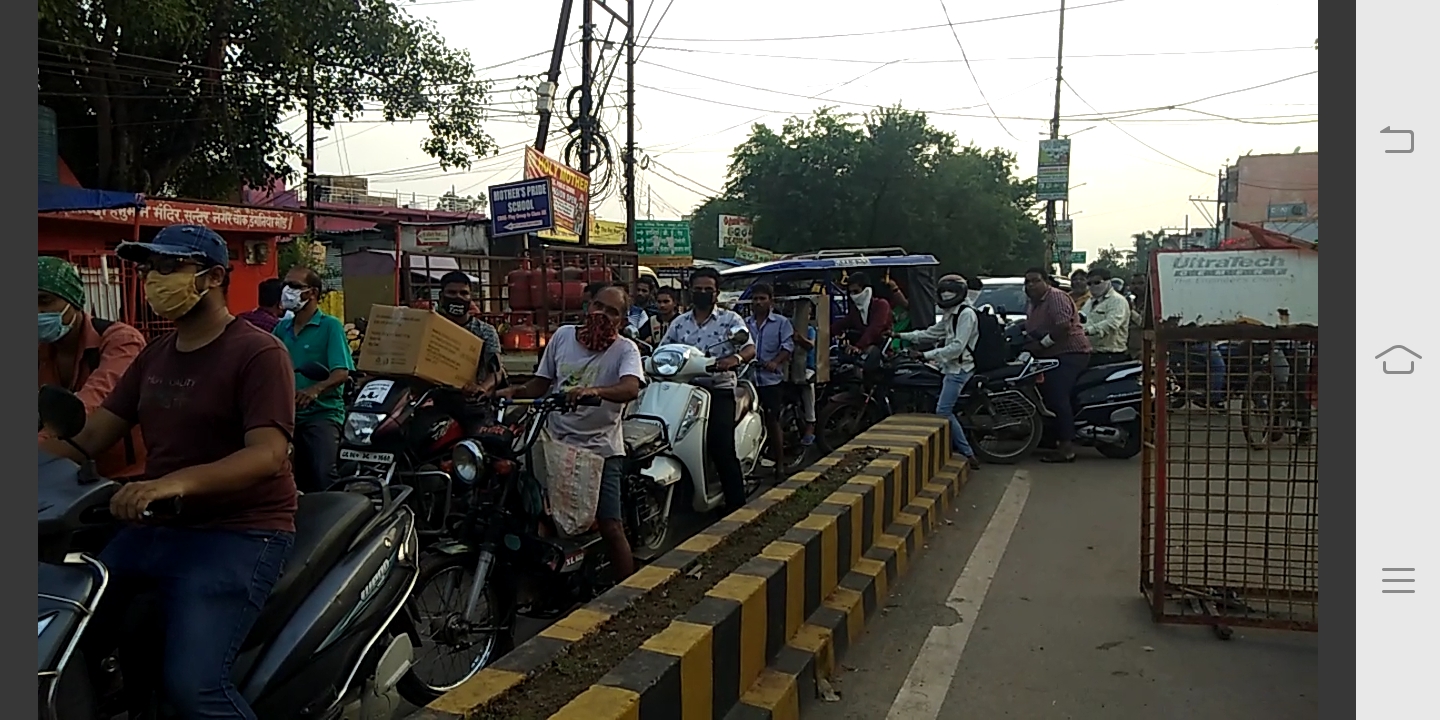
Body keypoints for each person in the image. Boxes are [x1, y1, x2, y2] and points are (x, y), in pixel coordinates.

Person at [43, 224, 296, 720]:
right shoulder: (154, 356)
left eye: (169, 268)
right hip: (156, 525)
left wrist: (171, 483)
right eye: (150, 269)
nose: (155, 280)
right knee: (65, 638)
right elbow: (91, 437)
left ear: (213, 277)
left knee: (194, 687)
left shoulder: (258, 352)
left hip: (239, 532)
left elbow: (268, 454)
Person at [495, 284, 642, 580]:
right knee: (532, 510)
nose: (602, 314)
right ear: (588, 307)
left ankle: (630, 593)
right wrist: (515, 391)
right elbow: (541, 383)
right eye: (598, 306)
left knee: (610, 524)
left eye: (612, 312)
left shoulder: (626, 349)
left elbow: (630, 387)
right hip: (554, 441)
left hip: (600, 448)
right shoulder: (562, 336)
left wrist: (595, 390)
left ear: (622, 321)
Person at [38, 256, 148, 480]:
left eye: (45, 301)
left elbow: (93, 405)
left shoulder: (120, 341)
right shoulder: (39, 350)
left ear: (74, 301)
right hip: (60, 477)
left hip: (125, 479)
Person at [660, 267, 757, 511]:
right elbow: (663, 350)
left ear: (717, 293)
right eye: (698, 289)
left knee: (720, 444)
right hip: (683, 391)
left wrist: (734, 359)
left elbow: (749, 348)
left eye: (708, 290)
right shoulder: (679, 323)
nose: (702, 293)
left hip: (718, 391)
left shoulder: (730, 320)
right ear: (690, 292)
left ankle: (737, 505)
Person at [274, 266, 354, 493]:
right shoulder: (281, 328)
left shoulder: (330, 326)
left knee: (322, 474)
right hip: (285, 416)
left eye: (295, 286)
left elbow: (341, 372)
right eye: (286, 285)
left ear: (313, 293)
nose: (288, 291)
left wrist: (315, 390)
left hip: (321, 414)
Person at [896, 274, 981, 470]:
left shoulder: (966, 314)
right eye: (943, 293)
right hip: (948, 365)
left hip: (959, 369)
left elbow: (957, 347)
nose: (946, 296)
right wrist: (900, 334)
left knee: (943, 410)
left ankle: (968, 454)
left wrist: (926, 355)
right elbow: (932, 332)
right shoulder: (951, 313)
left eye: (949, 293)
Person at [1022, 267, 1092, 463]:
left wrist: (1042, 344)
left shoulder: (1056, 298)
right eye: (1027, 282)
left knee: (1057, 395)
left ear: (1047, 282)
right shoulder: (1033, 303)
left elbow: (1063, 326)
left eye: (1035, 280)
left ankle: (1067, 447)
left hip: (1070, 353)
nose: (1030, 285)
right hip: (1050, 354)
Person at [745, 284, 795, 480]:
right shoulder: (745, 323)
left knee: (772, 421)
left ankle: (780, 464)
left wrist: (775, 362)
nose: (758, 302)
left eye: (762, 298)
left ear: (771, 301)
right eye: (755, 299)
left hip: (770, 380)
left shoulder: (781, 323)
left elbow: (787, 346)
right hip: (748, 379)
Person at [436, 270, 506, 397]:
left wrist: (482, 388)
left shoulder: (485, 331)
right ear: (441, 297)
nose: (458, 297)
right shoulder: (432, 327)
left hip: (471, 400)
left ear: (470, 298)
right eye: (452, 293)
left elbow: (496, 372)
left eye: (464, 293)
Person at [1079, 267, 1132, 366]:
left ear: (1108, 282)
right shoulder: (1089, 302)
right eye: (1089, 283)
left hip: (1111, 355)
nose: (1093, 286)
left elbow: (1112, 323)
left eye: (1097, 282)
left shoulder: (1118, 301)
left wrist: (1088, 330)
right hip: (1090, 353)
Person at [832, 271, 892, 353]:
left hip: (884, 352)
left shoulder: (881, 305)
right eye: (851, 293)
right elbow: (842, 323)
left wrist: (859, 346)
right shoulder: (855, 311)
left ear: (866, 289)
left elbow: (875, 328)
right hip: (864, 353)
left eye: (856, 292)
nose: (854, 296)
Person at [628, 276, 661, 344]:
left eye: (644, 291)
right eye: (638, 290)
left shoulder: (656, 312)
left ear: (650, 292)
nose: (640, 293)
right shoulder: (629, 310)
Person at [885, 278, 912, 352]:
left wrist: (894, 288)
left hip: (903, 345)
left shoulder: (912, 308)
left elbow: (906, 305)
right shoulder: (890, 308)